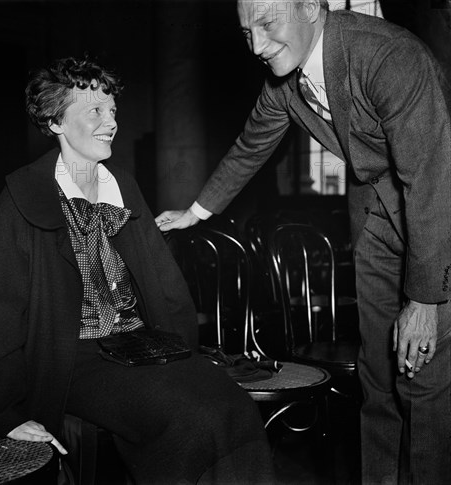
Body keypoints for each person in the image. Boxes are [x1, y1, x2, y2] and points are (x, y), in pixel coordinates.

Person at [156, 1, 451, 483]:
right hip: (376, 218)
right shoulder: (285, 82)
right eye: (246, 31)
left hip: (439, 214)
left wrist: (422, 300)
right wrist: (194, 212)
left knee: (426, 377)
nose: (257, 45)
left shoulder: (389, 55)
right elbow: (251, 145)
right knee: (378, 377)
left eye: (268, 24)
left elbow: (433, 177)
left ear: (313, 8)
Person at [0, 57, 274, 484]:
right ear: (55, 121)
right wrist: (3, 413)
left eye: (112, 111)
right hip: (72, 359)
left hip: (141, 347)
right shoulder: (23, 195)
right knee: (191, 417)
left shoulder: (122, 186)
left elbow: (166, 287)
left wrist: (184, 359)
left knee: (234, 405)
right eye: (94, 110)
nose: (110, 121)